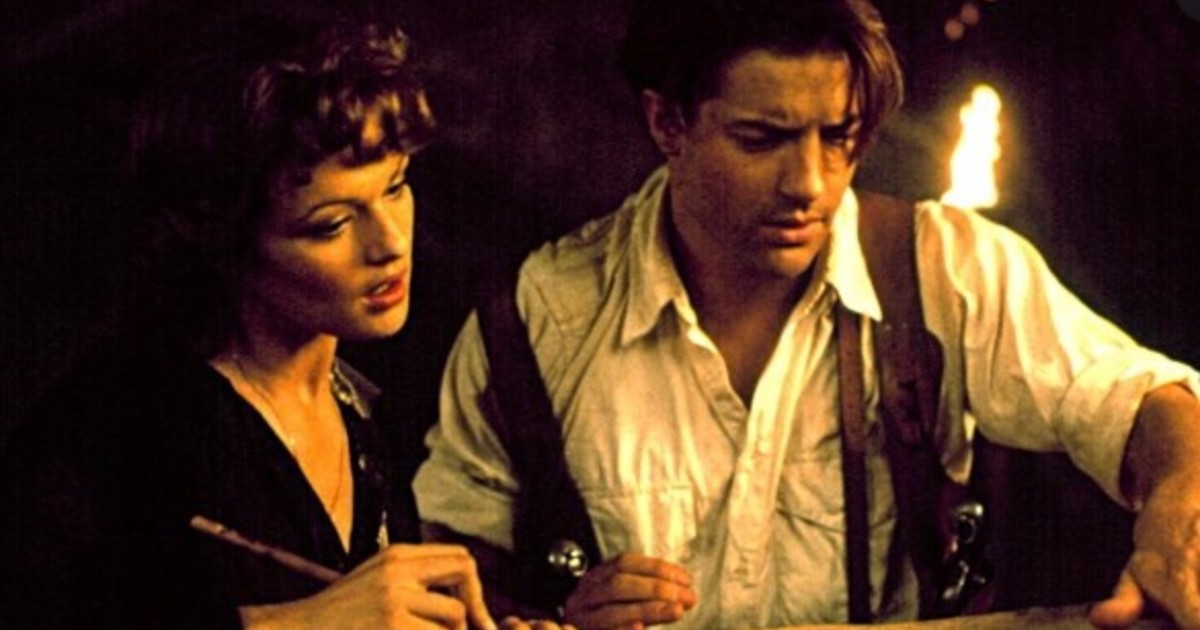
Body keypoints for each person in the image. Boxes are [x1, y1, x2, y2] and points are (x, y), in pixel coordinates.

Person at [411, 0, 1200, 628]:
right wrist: (549, 619)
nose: (810, 183)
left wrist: (1179, 502)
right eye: (763, 140)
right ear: (668, 124)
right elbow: (448, 578)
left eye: (839, 136)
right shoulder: (537, 321)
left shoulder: (940, 269)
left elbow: (1132, 397)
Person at [0, 11, 567, 630]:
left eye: (396, 187)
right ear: (226, 238)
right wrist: (296, 625)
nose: (391, 244)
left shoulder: (363, 416)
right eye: (332, 224)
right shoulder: (118, 424)